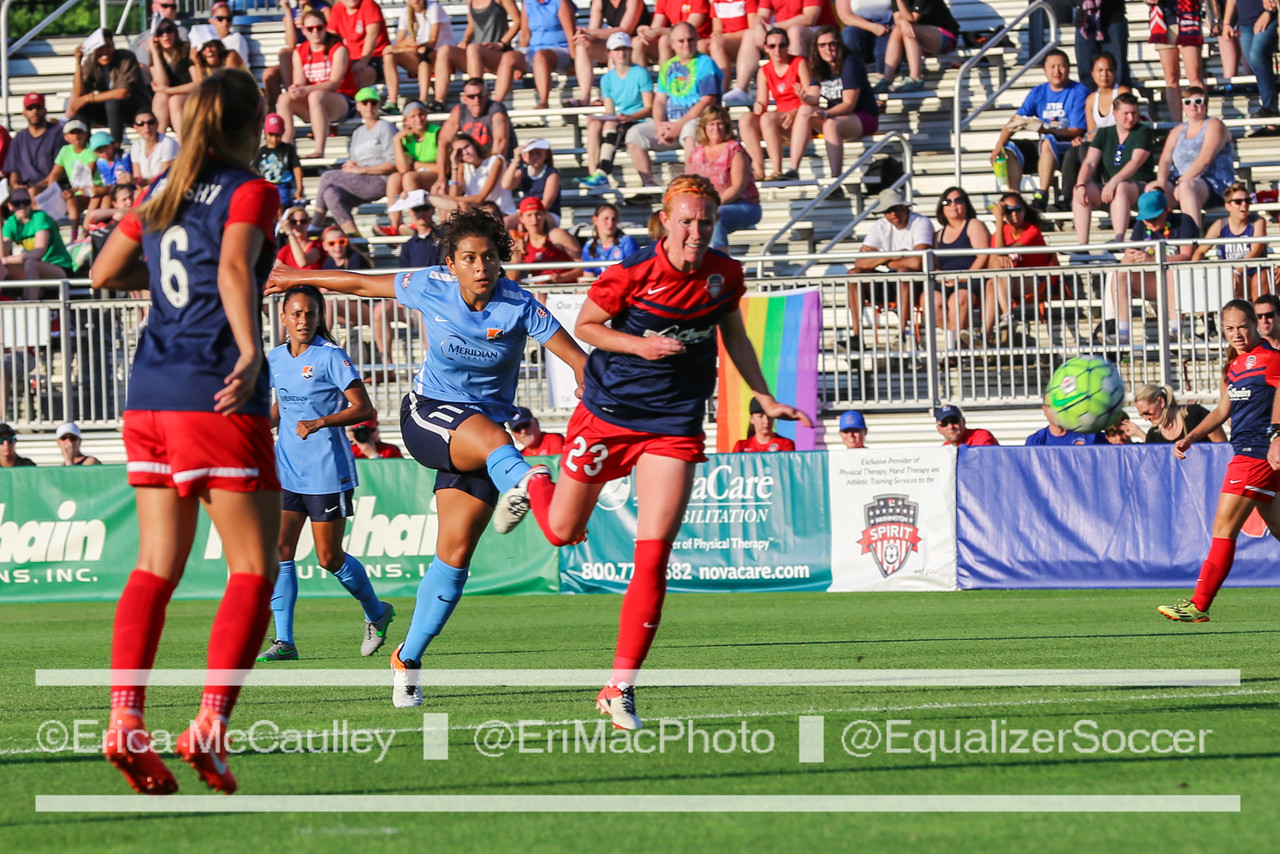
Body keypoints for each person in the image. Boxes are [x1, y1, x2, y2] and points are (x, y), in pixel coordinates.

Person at [491, 175, 812, 729]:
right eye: (686, 220)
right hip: (609, 413)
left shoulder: (724, 274)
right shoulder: (634, 272)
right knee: (563, 532)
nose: (695, 230)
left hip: (674, 423)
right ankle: (533, 482)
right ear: (665, 221)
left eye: (705, 221)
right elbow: (588, 326)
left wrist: (764, 395)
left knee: (655, 554)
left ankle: (619, 687)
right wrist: (639, 343)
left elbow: (732, 334)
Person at [263, 209, 589, 708]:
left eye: (489, 258)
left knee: (454, 559)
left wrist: (593, 380)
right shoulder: (429, 285)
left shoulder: (520, 305)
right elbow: (360, 284)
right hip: (430, 416)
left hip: (481, 439)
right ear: (451, 264)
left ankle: (407, 659)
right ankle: (535, 490)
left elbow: (577, 359)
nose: (480, 267)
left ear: (501, 261)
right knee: (499, 445)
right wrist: (295, 275)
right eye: (468, 258)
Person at [89, 68, 283, 795]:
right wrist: (248, 347)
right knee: (252, 570)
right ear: (248, 124)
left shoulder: (162, 190)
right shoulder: (251, 190)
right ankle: (209, 725)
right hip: (215, 393)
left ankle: (124, 722)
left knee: (154, 568)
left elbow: (104, 270)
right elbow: (235, 265)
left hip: (148, 394)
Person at [257, 284, 395, 663]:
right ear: (283, 317)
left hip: (326, 471)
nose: (303, 320)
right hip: (287, 470)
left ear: (321, 318)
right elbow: (280, 409)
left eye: (311, 314)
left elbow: (362, 407)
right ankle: (285, 641)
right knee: (279, 552)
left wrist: (321, 422)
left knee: (328, 558)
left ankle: (377, 613)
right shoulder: (275, 358)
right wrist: (251, 426)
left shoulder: (331, 357)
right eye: (296, 313)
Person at [1160, 300, 1280, 621]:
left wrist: (1278, 434)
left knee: (1223, 529)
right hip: (1252, 455)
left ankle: (1199, 605)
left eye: (1242, 326)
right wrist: (1190, 436)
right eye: (1229, 328)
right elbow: (1221, 411)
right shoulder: (1234, 367)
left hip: (1257, 454)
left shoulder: (1270, 359)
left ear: (1255, 324)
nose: (1237, 333)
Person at [626, 22, 723, 187]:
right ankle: (648, 185)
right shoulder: (668, 66)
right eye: (681, 41)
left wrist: (678, 125)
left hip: (699, 121)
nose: (686, 44)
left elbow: (708, 100)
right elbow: (660, 99)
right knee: (634, 135)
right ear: (672, 45)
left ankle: (691, 183)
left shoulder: (705, 63)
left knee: (689, 130)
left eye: (690, 39)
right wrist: (659, 124)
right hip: (672, 123)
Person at [990, 49, 1088, 210]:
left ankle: (1042, 194)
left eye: (1061, 66)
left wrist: (1048, 131)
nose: (1057, 71)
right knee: (1009, 148)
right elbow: (1016, 120)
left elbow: (1076, 130)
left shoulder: (1079, 91)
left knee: (1047, 141)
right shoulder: (1038, 92)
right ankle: (1015, 198)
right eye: (1053, 66)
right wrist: (999, 144)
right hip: (1045, 142)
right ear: (1045, 70)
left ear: (1069, 69)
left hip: (1069, 145)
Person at [1101, 189, 1199, 345]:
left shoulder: (1183, 221)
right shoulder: (1142, 225)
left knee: (1171, 270)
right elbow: (1128, 255)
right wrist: (1130, 257)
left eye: (1154, 218)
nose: (1150, 223)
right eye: (1146, 219)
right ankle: (1123, 332)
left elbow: (1186, 255)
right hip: (1154, 284)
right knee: (1120, 272)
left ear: (1167, 211)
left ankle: (1175, 331)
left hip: (1184, 284)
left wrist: (1153, 259)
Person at [847, 186, 933, 352]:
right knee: (853, 275)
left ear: (905, 207)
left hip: (912, 283)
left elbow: (917, 262)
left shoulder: (921, 222)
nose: (892, 214)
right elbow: (859, 263)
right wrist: (897, 256)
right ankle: (857, 336)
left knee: (905, 274)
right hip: (888, 281)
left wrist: (880, 259)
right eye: (887, 211)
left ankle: (903, 333)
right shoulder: (880, 225)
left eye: (896, 208)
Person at [789, 25, 876, 181]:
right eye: (822, 45)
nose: (828, 49)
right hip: (837, 116)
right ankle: (793, 169)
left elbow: (849, 104)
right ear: (816, 48)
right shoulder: (819, 65)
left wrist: (825, 114)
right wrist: (804, 98)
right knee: (804, 110)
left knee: (830, 124)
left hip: (863, 116)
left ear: (839, 44)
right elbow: (814, 98)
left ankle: (835, 179)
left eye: (832, 44)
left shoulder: (850, 63)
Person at [309, 87, 397, 237]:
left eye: (373, 103)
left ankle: (316, 223)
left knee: (327, 177)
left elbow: (394, 163)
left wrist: (362, 170)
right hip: (360, 181)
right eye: (365, 103)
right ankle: (354, 236)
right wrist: (350, 167)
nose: (369, 106)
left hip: (380, 180)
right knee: (331, 194)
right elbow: (355, 162)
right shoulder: (357, 133)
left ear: (378, 105)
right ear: (358, 106)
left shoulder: (385, 127)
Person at [1071, 93, 1155, 247]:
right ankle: (1082, 246)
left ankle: (1118, 242)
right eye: (1126, 114)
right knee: (1082, 191)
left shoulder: (1143, 131)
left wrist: (1113, 182)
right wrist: (1081, 183)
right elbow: (1089, 161)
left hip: (1139, 186)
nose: (1130, 118)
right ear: (1115, 114)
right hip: (1112, 188)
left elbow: (1136, 162)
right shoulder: (1104, 132)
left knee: (1121, 187)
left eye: (1134, 113)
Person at [1148, 87, 1235, 232]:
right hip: (1182, 183)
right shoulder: (1177, 130)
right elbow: (1164, 161)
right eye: (1187, 101)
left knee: (1186, 187)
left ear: (1206, 105)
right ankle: (1156, 237)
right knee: (1151, 190)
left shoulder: (1214, 125)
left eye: (1198, 101)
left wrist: (1181, 182)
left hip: (1214, 185)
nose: (1192, 105)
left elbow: (1205, 159)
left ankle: (1191, 239)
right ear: (1182, 106)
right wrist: (1161, 186)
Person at [277, 8, 357, 160]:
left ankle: (319, 149)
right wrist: (295, 89)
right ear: (304, 31)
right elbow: (299, 82)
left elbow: (334, 83)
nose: (315, 32)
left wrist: (306, 89)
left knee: (315, 96)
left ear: (326, 27)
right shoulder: (300, 51)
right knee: (284, 98)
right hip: (315, 102)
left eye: (320, 27)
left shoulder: (338, 48)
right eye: (310, 28)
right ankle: (284, 148)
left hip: (342, 101)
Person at [579, 32, 654, 189]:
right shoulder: (607, 79)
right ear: (610, 53)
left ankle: (602, 173)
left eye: (624, 49)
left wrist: (628, 117)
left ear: (630, 51)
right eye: (617, 49)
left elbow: (649, 107)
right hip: (621, 120)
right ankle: (596, 174)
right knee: (594, 124)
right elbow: (609, 110)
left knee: (609, 125)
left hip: (639, 120)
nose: (621, 53)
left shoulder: (640, 73)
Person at [984, 190, 1058, 343]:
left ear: (1025, 210)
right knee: (993, 282)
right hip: (1009, 281)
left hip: (1036, 280)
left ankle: (994, 326)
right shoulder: (1001, 232)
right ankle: (988, 331)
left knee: (998, 275)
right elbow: (993, 263)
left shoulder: (1032, 230)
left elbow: (1004, 252)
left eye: (1018, 209)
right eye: (1009, 211)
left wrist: (999, 219)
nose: (1014, 214)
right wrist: (1000, 221)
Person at [739, 28, 811, 181]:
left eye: (782, 45)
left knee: (767, 119)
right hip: (780, 117)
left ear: (788, 46)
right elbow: (762, 102)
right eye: (772, 46)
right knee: (746, 119)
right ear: (765, 48)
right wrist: (758, 106)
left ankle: (777, 170)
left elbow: (810, 98)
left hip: (799, 117)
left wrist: (795, 111)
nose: (777, 50)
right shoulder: (764, 71)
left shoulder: (799, 63)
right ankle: (759, 170)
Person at [686, 106, 761, 250]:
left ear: (726, 126)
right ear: (704, 127)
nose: (716, 128)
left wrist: (712, 204)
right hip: (706, 205)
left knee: (714, 217)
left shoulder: (735, 150)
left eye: (720, 123)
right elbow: (690, 181)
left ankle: (721, 260)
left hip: (743, 204)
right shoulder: (697, 151)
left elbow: (738, 187)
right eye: (711, 124)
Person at [1059, 52, 1130, 200]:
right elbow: (1092, 133)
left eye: (1108, 70)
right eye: (1100, 70)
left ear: (1115, 72)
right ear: (1092, 73)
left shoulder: (1122, 92)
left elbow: (1128, 125)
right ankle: (1065, 198)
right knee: (1073, 152)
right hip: (1100, 145)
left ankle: (1096, 191)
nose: (1104, 75)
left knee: (1087, 149)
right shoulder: (1091, 99)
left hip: (1120, 146)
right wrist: (1081, 139)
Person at [430, 0, 520, 112]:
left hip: (497, 53)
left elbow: (518, 20)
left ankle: (477, 95)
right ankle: (439, 100)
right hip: (476, 55)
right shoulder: (470, 1)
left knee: (474, 48)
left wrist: (502, 43)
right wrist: (465, 40)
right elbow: (471, 26)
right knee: (445, 51)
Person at [932, 187, 990, 354]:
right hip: (946, 279)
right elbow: (934, 263)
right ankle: (959, 340)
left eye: (958, 200)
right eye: (947, 201)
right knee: (932, 301)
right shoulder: (938, 235)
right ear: (941, 207)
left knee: (957, 299)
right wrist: (940, 277)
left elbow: (983, 256)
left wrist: (964, 277)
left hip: (971, 277)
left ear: (966, 204)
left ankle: (955, 348)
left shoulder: (973, 225)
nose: (953, 205)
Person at [491, 0, 577, 108]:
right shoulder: (528, 3)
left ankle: (543, 101)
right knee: (509, 57)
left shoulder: (560, 2)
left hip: (561, 50)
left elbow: (571, 34)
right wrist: (519, 63)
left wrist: (574, 62)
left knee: (541, 56)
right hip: (534, 50)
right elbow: (525, 35)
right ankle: (496, 104)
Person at [69, 29, 148, 145]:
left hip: (133, 108)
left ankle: (116, 147)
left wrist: (88, 98)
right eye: (100, 48)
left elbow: (122, 93)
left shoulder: (126, 57)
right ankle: (85, 147)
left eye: (108, 47)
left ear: (114, 46)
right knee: (82, 108)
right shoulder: (91, 61)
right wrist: (78, 63)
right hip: (108, 111)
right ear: (94, 50)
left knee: (113, 103)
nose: (104, 52)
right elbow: (79, 94)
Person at [1192, 181, 1271, 297]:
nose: (1244, 205)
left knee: (1258, 280)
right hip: (1232, 276)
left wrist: (1236, 271)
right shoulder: (1220, 225)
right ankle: (1207, 315)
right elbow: (1200, 251)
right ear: (1228, 206)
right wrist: (1194, 272)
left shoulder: (1257, 222)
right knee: (1211, 283)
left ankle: (1259, 313)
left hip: (1254, 272)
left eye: (1247, 201)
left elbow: (1255, 251)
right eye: (1238, 202)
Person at [568, 0, 650, 107]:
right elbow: (593, 31)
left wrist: (591, 32)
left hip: (641, 41)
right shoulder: (599, 2)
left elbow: (625, 30)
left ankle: (613, 94)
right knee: (582, 46)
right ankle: (585, 97)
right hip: (620, 43)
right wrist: (583, 35)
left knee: (616, 50)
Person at [433, 78, 516, 183]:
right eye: (471, 96)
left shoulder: (496, 109)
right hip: (473, 164)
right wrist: (441, 178)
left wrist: (490, 172)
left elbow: (500, 141)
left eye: (480, 95)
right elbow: (443, 142)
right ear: (465, 99)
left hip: (497, 164)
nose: (477, 100)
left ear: (487, 96)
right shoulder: (459, 111)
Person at [380, 102, 442, 235]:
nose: (418, 119)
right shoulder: (405, 138)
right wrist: (396, 140)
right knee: (394, 178)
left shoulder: (436, 133)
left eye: (421, 114)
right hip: (419, 175)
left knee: (409, 177)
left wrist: (418, 165)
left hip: (438, 177)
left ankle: (416, 220)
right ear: (406, 121)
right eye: (413, 116)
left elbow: (444, 168)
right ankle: (394, 226)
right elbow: (403, 169)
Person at [874, 0, 959, 93]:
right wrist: (902, 22)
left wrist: (901, 16)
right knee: (898, 29)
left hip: (945, 39)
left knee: (908, 28)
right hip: (920, 42)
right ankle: (887, 79)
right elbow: (897, 18)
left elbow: (913, 19)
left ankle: (915, 79)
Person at [384, 0, 455, 108]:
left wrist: (402, 48)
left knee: (424, 53)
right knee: (389, 55)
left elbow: (432, 42)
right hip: (422, 59)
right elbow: (399, 43)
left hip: (441, 60)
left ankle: (423, 99)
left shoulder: (434, 7)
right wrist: (405, 43)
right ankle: (392, 101)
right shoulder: (406, 12)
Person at [263, 0, 333, 107]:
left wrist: (311, 24)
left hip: (318, 55)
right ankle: (282, 107)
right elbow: (292, 44)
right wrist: (288, 12)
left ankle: (294, 101)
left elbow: (331, 38)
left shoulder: (323, 9)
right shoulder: (292, 12)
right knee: (269, 74)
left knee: (285, 54)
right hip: (299, 58)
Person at [0, 188, 75, 282]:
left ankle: (29, 297)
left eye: (26, 202)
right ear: (10, 206)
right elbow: (2, 254)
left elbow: (38, 253)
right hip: (34, 267)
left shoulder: (40, 216)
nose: (22, 206)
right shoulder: (11, 223)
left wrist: (7, 260)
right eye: (17, 203)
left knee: (31, 264)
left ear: (31, 203)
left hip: (59, 267)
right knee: (2, 267)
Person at [1148, 0, 1205, 123]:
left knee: (1194, 76)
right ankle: (1177, 124)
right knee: (1170, 77)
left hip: (1188, 17)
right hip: (1162, 20)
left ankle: (1199, 122)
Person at [430, 132, 514, 215]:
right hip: (478, 212)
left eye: (467, 147)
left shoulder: (495, 161)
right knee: (452, 207)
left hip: (501, 212)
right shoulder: (463, 166)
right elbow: (454, 194)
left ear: (474, 145)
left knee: (461, 205)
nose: (465, 152)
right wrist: (454, 166)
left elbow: (480, 198)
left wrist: (447, 198)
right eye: (459, 151)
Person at [45, 120, 101, 240]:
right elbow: (54, 175)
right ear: (66, 137)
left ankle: (78, 234)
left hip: (93, 191)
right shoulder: (65, 151)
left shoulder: (91, 150)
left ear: (85, 134)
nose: (76, 136)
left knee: (72, 199)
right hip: (78, 193)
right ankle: (74, 235)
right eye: (72, 133)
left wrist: (70, 191)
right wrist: (53, 194)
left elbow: (87, 176)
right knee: (69, 200)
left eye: (79, 132)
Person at [1223, 0, 1278, 122]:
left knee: (1256, 56)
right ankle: (1272, 116)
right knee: (1257, 63)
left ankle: (1269, 107)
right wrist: (1227, 23)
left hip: (1269, 17)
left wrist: (1269, 12)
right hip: (1245, 22)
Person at [509, 196, 581, 282]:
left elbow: (584, 266)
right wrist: (515, 258)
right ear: (521, 218)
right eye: (529, 215)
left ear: (544, 215)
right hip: (540, 291)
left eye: (538, 214)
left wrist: (562, 277)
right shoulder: (521, 241)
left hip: (566, 289)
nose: (534, 220)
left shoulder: (557, 235)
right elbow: (512, 279)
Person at [1126, 383, 1226, 444]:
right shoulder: (1153, 435)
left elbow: (1222, 449)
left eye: (1148, 413)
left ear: (1161, 402)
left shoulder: (1195, 414)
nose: (1146, 418)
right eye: (1142, 415)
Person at [6, 94, 64, 195]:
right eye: (30, 108)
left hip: (54, 188)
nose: (34, 111)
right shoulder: (19, 139)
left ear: (45, 110)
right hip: (25, 192)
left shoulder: (58, 134)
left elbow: (61, 170)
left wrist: (36, 188)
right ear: (24, 113)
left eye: (38, 107)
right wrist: (16, 185)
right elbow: (14, 172)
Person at [147, 19, 194, 137]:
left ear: (175, 32)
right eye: (160, 32)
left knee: (174, 100)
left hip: (190, 96)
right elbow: (162, 83)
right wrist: (155, 52)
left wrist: (169, 91)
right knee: (160, 97)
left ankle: (184, 145)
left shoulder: (186, 50)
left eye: (169, 30)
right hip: (169, 102)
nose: (165, 35)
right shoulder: (155, 56)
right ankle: (158, 143)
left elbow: (197, 83)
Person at [500, 138, 563, 228]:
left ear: (546, 155)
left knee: (528, 223)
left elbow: (546, 203)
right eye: (531, 153)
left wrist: (528, 217)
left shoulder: (551, 173)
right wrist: (516, 161)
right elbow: (506, 184)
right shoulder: (524, 171)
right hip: (527, 212)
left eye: (538, 153)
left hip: (547, 214)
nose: (534, 157)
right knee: (505, 223)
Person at [329, 0, 391, 89]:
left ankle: (358, 102)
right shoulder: (337, 9)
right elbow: (331, 37)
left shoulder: (368, 4)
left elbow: (372, 35)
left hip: (375, 57)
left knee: (360, 74)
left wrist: (363, 61)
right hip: (350, 59)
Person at [633, 0, 712, 67]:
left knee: (665, 40)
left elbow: (688, 30)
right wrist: (644, 31)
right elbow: (656, 26)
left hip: (696, 40)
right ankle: (640, 82)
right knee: (638, 41)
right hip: (676, 40)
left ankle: (666, 80)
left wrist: (659, 31)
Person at [580, 202, 639, 276]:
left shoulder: (627, 242)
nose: (610, 223)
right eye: (606, 219)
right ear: (595, 220)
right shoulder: (589, 247)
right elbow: (588, 277)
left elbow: (634, 273)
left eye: (614, 219)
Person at [130, 110, 179, 188]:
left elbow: (165, 179)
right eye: (140, 123)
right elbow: (138, 178)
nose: (146, 127)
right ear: (135, 127)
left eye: (150, 122)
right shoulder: (136, 146)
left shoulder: (168, 143)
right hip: (147, 189)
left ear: (156, 124)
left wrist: (139, 181)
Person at [732, 397, 798, 451]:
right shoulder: (741, 447)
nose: (766, 421)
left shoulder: (785, 444)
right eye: (760, 416)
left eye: (769, 416)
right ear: (752, 419)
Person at [1025, 402, 1107, 445]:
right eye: (1053, 406)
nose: (1057, 411)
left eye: (1060, 406)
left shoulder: (1088, 435)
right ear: (1044, 409)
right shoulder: (1036, 441)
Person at [397, 193, 441, 267]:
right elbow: (404, 272)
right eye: (416, 209)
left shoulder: (444, 238)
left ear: (433, 210)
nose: (421, 213)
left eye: (425, 208)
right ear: (411, 212)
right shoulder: (407, 246)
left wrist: (429, 198)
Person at [276, 203, 325, 269]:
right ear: (289, 224)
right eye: (293, 222)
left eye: (303, 221)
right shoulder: (285, 250)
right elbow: (275, 273)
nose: (298, 224)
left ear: (308, 223)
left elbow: (302, 263)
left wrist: (290, 233)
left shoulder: (318, 244)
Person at [208, 2, 253, 69]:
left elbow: (232, 70)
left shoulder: (236, 38)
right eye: (220, 18)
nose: (225, 22)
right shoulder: (207, 41)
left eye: (229, 18)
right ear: (211, 21)